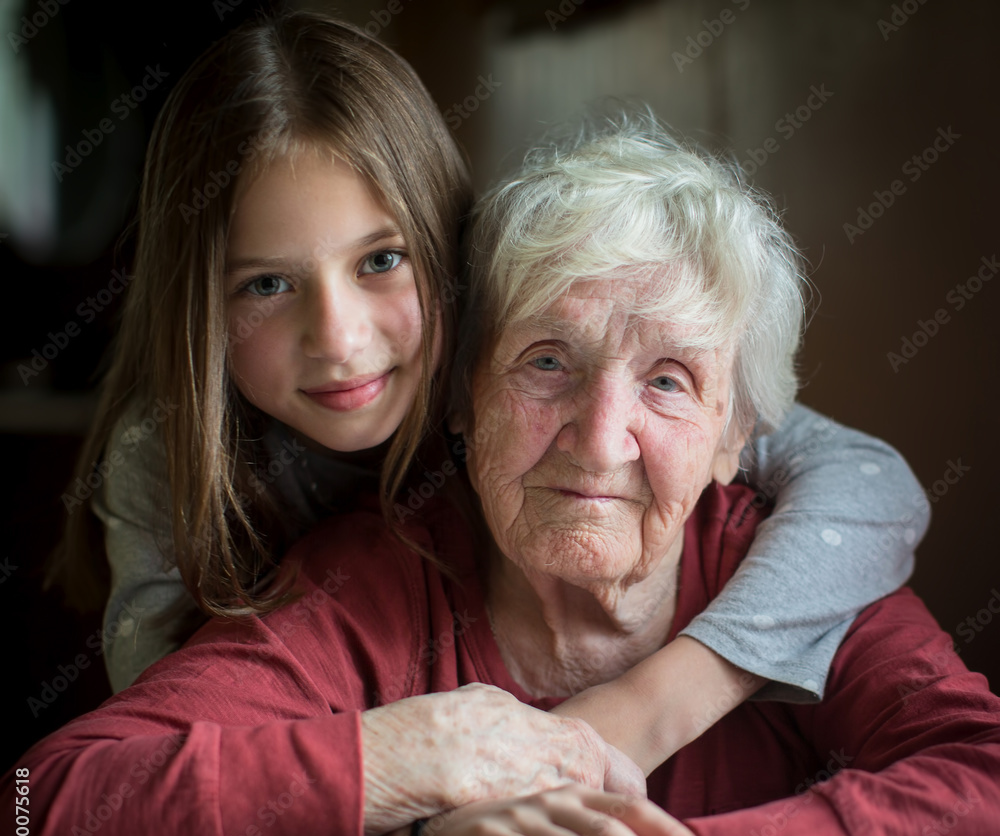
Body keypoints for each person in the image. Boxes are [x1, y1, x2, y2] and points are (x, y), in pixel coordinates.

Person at [11, 113, 998, 836]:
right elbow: (33, 824)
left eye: (667, 381)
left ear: (737, 437)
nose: (598, 438)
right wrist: (404, 771)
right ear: (464, 397)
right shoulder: (366, 586)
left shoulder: (793, 577)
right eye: (545, 361)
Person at [48, 11, 929, 779]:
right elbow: (168, 760)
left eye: (381, 261)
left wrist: (673, 691)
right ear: (195, 304)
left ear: (448, 260)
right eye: (267, 285)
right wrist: (405, 813)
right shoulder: (159, 458)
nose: (342, 339)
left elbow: (869, 482)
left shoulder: (519, 360)